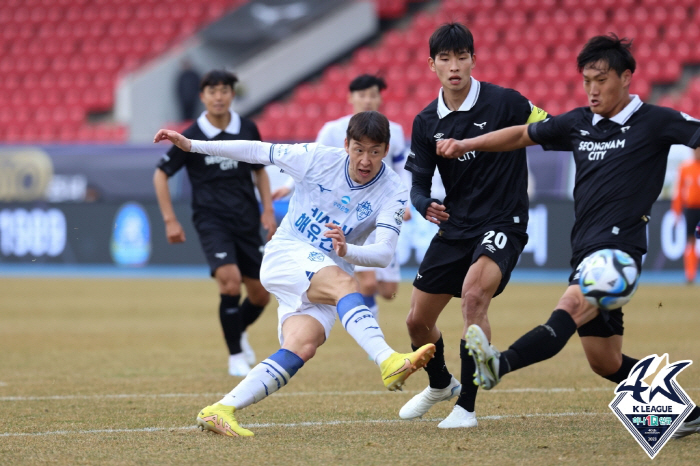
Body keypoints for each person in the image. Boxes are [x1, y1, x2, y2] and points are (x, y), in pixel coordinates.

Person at [434, 34, 700, 437]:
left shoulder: (656, 122)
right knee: (604, 361)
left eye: (602, 79)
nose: (592, 89)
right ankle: (687, 416)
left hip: (618, 255)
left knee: (570, 306)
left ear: (627, 77)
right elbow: (522, 135)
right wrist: (467, 144)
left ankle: (498, 365)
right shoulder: (578, 122)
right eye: (586, 80)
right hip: (585, 253)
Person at [153, 111, 436, 438]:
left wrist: (348, 251)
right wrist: (192, 145)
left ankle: (221, 409)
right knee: (346, 283)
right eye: (359, 149)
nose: (365, 159)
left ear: (386, 151)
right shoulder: (315, 158)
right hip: (288, 251)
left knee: (302, 345)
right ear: (346, 145)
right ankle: (388, 361)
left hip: (326, 272)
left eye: (374, 151)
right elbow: (257, 150)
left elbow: (385, 251)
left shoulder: (394, 190)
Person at [399, 22, 548, 429]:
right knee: (416, 322)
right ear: (431, 65)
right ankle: (441, 383)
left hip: (503, 220)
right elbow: (417, 182)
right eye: (444, 58)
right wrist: (423, 202)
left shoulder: (507, 102)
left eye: (461, 57)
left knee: (472, 295)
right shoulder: (426, 121)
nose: (454, 66)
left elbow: (548, 128)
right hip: (456, 225)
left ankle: (466, 407)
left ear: (473, 60)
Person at [154, 70, 277, 377]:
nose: (218, 96)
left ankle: (237, 331)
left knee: (262, 294)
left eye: (224, 90)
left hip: (247, 220)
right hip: (211, 221)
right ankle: (235, 354)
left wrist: (268, 209)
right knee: (230, 281)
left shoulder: (247, 128)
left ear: (231, 94)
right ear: (202, 97)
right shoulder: (191, 134)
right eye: (212, 91)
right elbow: (161, 174)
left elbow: (260, 170)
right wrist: (170, 220)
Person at [272, 74, 411, 320]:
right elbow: (312, 164)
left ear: (380, 97)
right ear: (351, 97)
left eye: (373, 94)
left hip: (383, 211)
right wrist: (288, 185)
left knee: (389, 291)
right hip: (355, 212)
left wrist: (405, 201)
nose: (368, 99)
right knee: (367, 283)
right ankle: (369, 336)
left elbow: (401, 168)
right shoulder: (334, 130)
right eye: (362, 94)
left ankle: (358, 310)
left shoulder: (395, 132)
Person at [672, 146, 700, 283]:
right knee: (691, 240)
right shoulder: (685, 168)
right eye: (695, 149)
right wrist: (676, 212)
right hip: (691, 210)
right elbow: (678, 191)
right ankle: (690, 274)